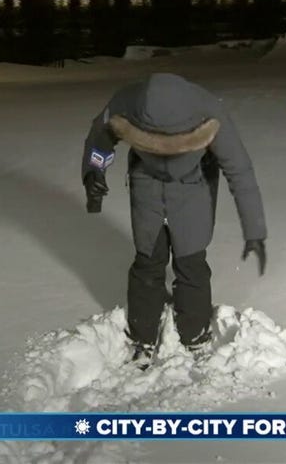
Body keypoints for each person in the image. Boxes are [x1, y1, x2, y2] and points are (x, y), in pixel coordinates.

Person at [81, 73, 267, 369]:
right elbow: (99, 141)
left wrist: (254, 228)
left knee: (191, 263)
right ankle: (142, 337)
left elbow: (239, 170)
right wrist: (94, 172)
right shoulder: (125, 104)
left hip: (193, 189)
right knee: (147, 263)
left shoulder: (209, 112)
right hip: (147, 187)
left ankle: (195, 335)